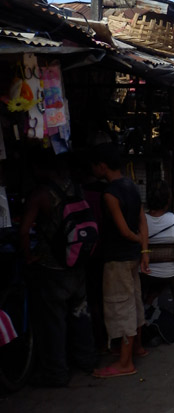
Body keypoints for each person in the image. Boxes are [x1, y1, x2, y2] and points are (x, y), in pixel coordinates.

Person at [19, 150, 97, 387]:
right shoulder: (75, 187)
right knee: (80, 312)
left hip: (52, 266)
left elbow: (23, 231)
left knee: (54, 321)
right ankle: (87, 360)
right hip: (77, 261)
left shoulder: (41, 194)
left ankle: (57, 372)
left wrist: (29, 256)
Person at [89, 143, 149, 378]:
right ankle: (138, 347)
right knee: (134, 301)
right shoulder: (131, 186)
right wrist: (144, 250)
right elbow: (141, 221)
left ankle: (125, 363)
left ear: (102, 166)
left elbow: (124, 230)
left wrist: (135, 241)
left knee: (120, 306)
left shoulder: (110, 194)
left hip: (118, 258)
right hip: (133, 257)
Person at [141, 181, 174, 305]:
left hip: (142, 273)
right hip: (169, 273)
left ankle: (147, 301)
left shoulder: (140, 221)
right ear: (168, 200)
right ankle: (153, 298)